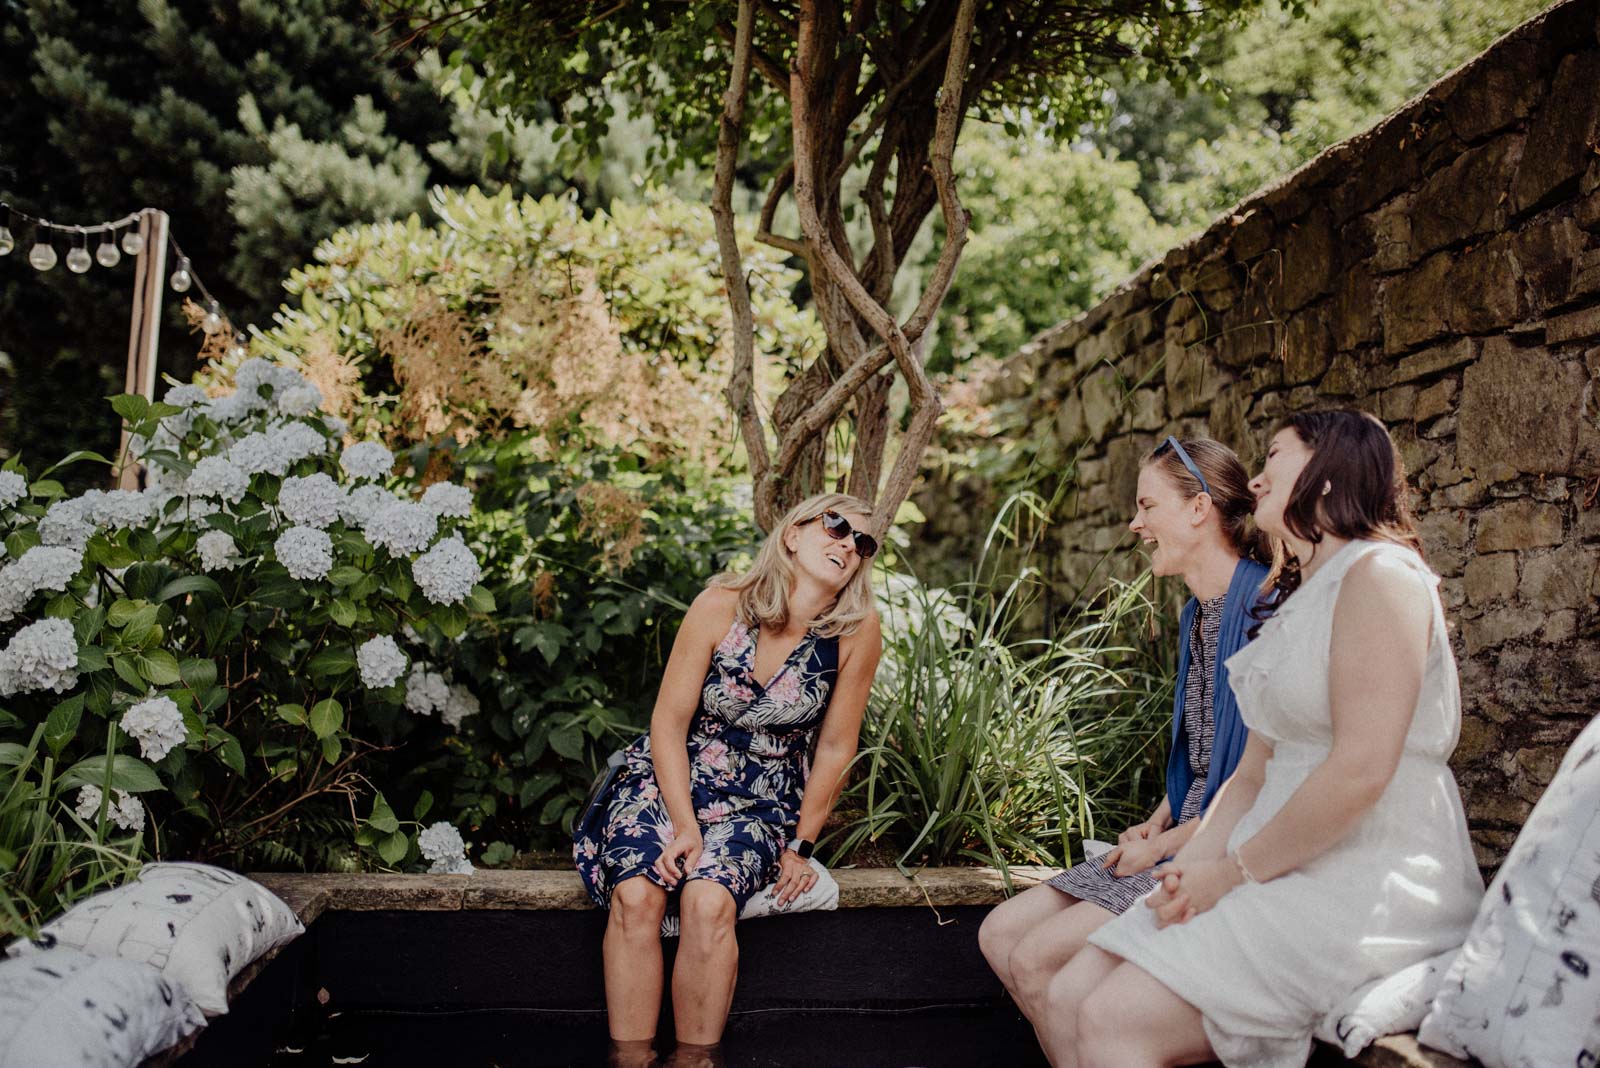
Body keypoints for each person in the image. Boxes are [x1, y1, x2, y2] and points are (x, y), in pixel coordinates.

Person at [1043, 409, 1486, 1068]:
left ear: (1327, 472)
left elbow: (1362, 770)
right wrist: (1193, 867)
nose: (1253, 480)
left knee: (1112, 1020)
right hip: (1269, 865)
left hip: (1362, 878)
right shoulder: (1296, 596)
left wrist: (1230, 873)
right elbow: (1251, 774)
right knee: (1068, 993)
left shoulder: (1382, 577)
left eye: (1273, 455)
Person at [573, 493, 884, 1068]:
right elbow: (667, 723)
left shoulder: (855, 632)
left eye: (862, 543)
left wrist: (801, 846)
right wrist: (685, 824)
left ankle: (694, 1061)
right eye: (836, 526)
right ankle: (630, 1059)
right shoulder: (720, 605)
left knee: (708, 900)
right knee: (638, 895)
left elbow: (838, 746)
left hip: (762, 801)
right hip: (670, 781)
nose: (848, 544)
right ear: (793, 533)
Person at [978, 436, 1272, 1034]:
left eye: (1147, 506)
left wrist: (1164, 847)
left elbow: (1258, 784)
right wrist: (1159, 817)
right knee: (998, 932)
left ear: (1198, 509)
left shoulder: (1264, 610)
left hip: (1215, 847)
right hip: (1179, 831)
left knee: (1036, 959)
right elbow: (1201, 745)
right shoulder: (1198, 611)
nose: (1135, 524)